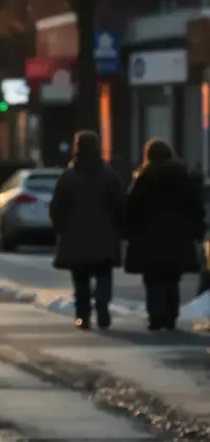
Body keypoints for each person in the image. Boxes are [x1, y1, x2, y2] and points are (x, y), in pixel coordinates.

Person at [124, 139, 206, 331]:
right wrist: (197, 231)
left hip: (149, 236)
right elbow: (195, 208)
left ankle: (156, 316)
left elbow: (131, 208)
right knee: (172, 278)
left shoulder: (144, 178)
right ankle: (171, 316)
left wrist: (128, 232)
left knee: (153, 279)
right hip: (178, 237)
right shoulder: (183, 177)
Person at [49, 130, 126, 330]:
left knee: (80, 278)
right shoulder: (109, 175)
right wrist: (120, 228)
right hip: (105, 235)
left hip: (75, 237)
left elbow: (57, 208)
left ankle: (83, 316)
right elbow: (120, 205)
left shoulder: (68, 177)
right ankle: (102, 304)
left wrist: (61, 229)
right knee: (103, 274)